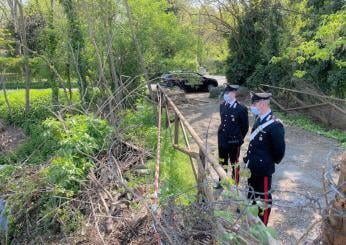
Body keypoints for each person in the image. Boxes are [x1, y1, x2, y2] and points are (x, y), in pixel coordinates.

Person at [244, 92, 286, 226]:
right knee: (252, 193)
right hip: (253, 166)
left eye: (254, 103)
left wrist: (266, 162)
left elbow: (279, 151)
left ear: (262, 104)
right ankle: (252, 218)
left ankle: (263, 226)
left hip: (263, 169)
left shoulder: (275, 125)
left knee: (264, 198)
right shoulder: (259, 118)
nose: (252, 106)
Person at [217, 85, 249, 186]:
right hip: (222, 139)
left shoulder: (241, 108)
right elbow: (223, 122)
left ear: (234, 93)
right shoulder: (222, 105)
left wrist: (238, 139)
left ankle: (235, 182)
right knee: (222, 161)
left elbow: (245, 127)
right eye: (225, 93)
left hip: (234, 141)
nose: (225, 95)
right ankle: (222, 181)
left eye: (227, 93)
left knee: (234, 162)